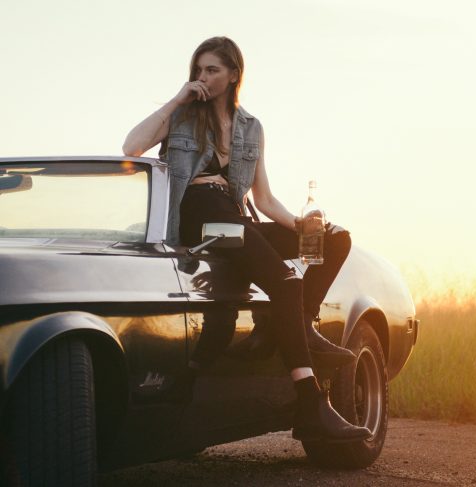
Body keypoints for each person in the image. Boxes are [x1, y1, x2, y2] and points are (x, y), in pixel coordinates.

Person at [122, 36, 369, 442]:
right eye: (198, 70)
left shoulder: (251, 128)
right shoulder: (181, 116)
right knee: (286, 281)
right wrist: (176, 99)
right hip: (199, 216)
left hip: (234, 219)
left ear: (234, 74)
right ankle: (311, 406)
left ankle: (294, 326)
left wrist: (303, 226)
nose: (202, 77)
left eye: (212, 70)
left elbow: (264, 199)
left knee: (335, 239)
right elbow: (131, 147)